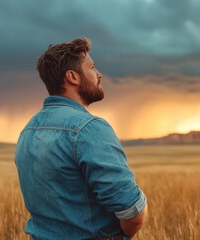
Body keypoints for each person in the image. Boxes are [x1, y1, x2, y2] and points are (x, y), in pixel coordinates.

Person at [15, 37, 148, 240]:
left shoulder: (27, 130)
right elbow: (132, 212)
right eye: (92, 68)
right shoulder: (89, 128)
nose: (99, 75)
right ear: (72, 77)